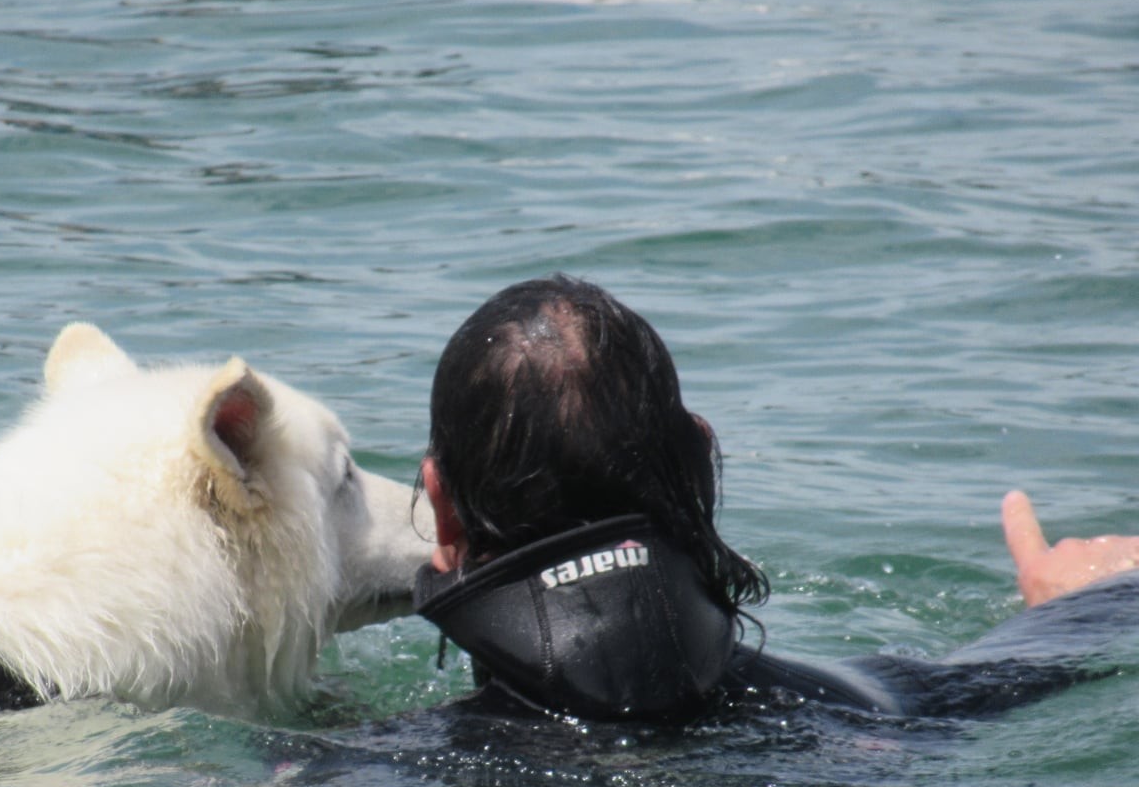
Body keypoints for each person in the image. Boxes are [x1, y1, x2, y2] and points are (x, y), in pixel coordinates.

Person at [412, 275, 1139, 721]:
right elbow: (985, 685)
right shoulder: (873, 714)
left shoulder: (358, 784)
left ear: (442, 507)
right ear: (699, 459)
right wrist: (1079, 607)